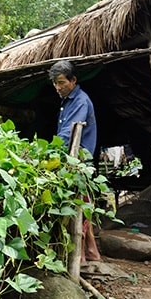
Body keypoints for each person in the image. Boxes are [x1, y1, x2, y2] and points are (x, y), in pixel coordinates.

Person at [48, 60, 101, 263]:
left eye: (61, 82)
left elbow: (68, 135)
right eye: (55, 83)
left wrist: (48, 152)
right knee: (82, 204)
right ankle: (92, 253)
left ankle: (79, 257)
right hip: (72, 161)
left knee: (80, 205)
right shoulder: (68, 100)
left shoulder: (80, 101)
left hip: (79, 162)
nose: (58, 87)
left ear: (73, 80)